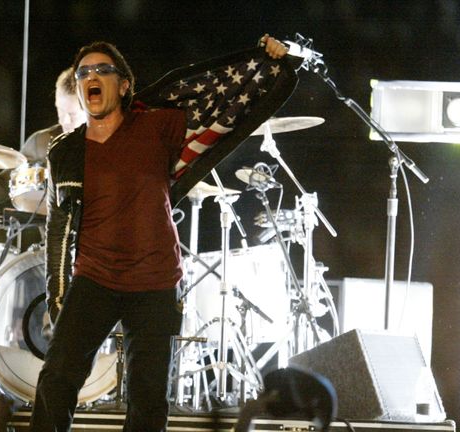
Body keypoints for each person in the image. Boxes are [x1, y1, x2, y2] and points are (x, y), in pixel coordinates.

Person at [31, 36, 289, 431]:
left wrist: (269, 58)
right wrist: (57, 292)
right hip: (94, 278)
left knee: (148, 395)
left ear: (124, 85)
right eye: (84, 73)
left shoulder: (158, 126)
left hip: (153, 281)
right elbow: (57, 226)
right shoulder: (65, 151)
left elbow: (227, 98)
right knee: (56, 379)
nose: (91, 77)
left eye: (103, 70)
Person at [0, 67, 86, 207]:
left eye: (72, 115)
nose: (64, 121)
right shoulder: (41, 143)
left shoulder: (107, 147)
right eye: (60, 110)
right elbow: (2, 186)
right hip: (54, 229)